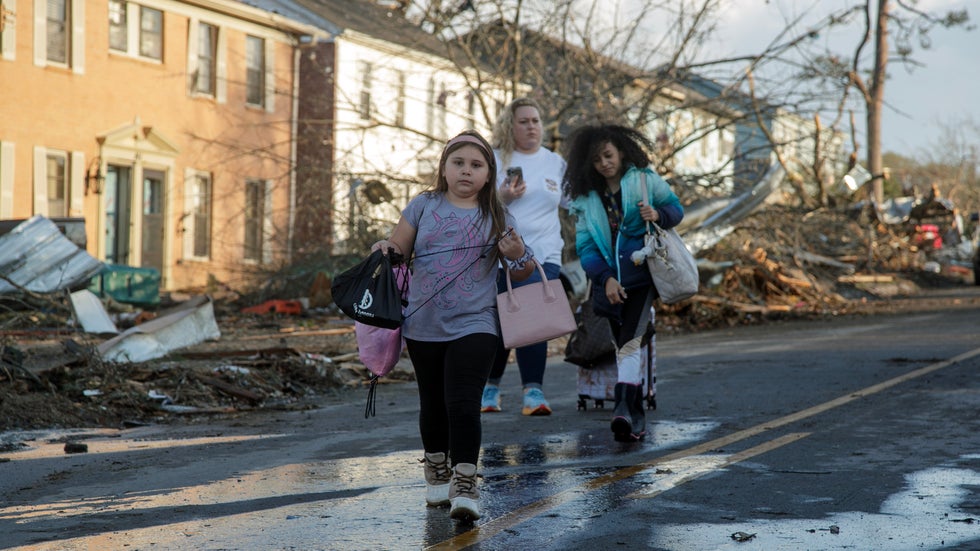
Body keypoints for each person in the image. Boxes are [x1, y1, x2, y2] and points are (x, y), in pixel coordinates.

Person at [371, 130, 534, 521]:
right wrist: (383, 250)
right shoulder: (423, 205)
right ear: (443, 169)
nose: (466, 171)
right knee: (433, 403)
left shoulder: (497, 214)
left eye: (476, 165)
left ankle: (465, 481)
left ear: (488, 174)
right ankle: (437, 467)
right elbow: (399, 249)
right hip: (423, 322)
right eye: (458, 163)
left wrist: (518, 254)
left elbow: (524, 268)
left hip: (476, 322)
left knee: (463, 402)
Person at [562, 124, 684, 442]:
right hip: (610, 284)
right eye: (597, 159)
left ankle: (621, 406)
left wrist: (657, 214)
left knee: (630, 341)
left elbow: (677, 209)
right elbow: (586, 249)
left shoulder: (643, 180)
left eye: (608, 155)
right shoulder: (586, 200)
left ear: (621, 151)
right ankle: (634, 416)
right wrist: (606, 280)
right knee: (623, 346)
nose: (604, 163)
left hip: (642, 278)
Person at [481, 97, 568, 416]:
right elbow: (473, 203)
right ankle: (489, 388)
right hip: (499, 252)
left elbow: (573, 202)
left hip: (545, 253)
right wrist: (501, 198)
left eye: (536, 120)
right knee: (503, 319)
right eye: (524, 121)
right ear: (510, 125)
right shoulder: (493, 158)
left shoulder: (555, 162)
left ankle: (533, 392)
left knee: (534, 317)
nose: (532, 126)